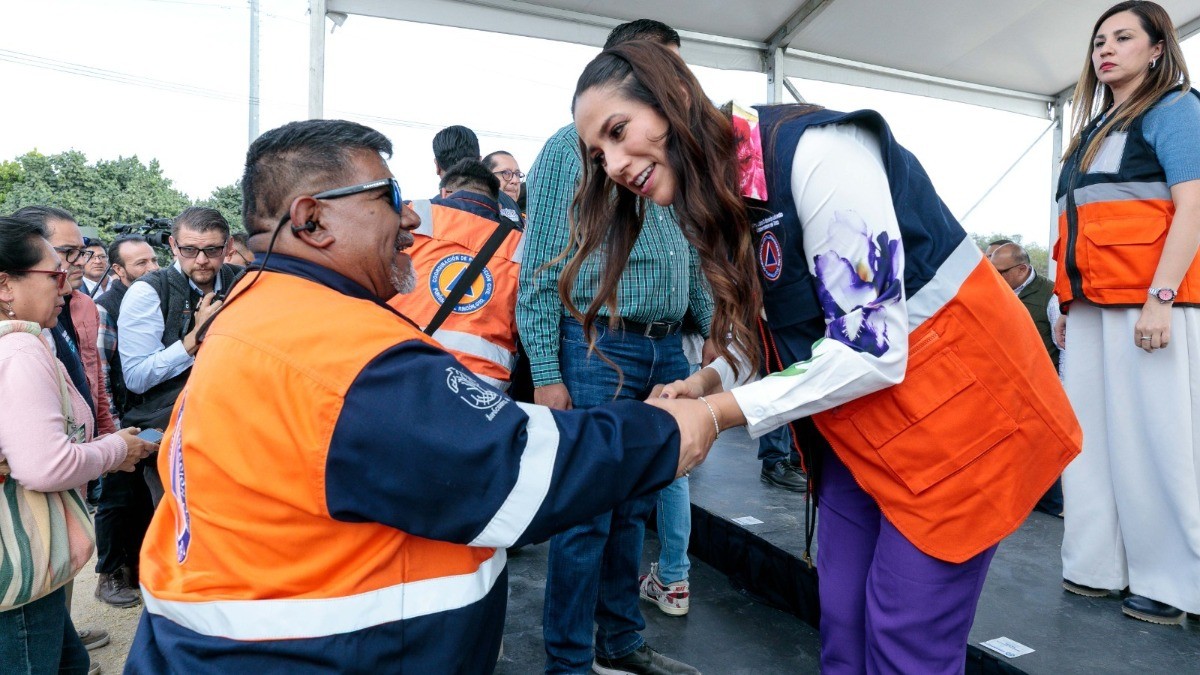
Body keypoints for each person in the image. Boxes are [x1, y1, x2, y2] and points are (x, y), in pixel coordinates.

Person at [125, 118, 715, 673]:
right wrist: (689, 422)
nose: (410, 220)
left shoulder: (261, 309)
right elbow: (518, 474)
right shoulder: (335, 352)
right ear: (311, 220)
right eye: (388, 196)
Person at [569, 41, 1081, 673]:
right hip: (857, 428)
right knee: (842, 621)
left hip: (957, 422)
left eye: (619, 132)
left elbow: (872, 346)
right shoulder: (715, 199)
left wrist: (720, 412)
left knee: (906, 642)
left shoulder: (817, 151)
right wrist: (704, 382)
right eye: (599, 154)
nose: (616, 164)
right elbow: (776, 330)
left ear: (671, 96)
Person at [519, 19, 708, 675]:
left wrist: (711, 335)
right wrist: (547, 370)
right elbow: (539, 268)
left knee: (634, 508)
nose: (676, 88)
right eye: (663, 71)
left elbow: (693, 256)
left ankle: (619, 640)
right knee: (586, 516)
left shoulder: (679, 157)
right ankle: (569, 661)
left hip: (665, 350)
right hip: (595, 349)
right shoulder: (562, 151)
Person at [1054, 0, 1200, 625]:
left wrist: (1161, 297)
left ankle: (1173, 584)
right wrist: (1064, 302)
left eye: (1122, 37)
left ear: (1157, 48)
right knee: (1087, 443)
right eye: (1098, 40)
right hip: (1090, 308)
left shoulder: (1176, 110)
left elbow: (1193, 208)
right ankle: (1096, 566)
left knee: (1153, 443)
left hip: (1150, 306)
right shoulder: (1090, 131)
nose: (1106, 49)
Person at [0, 215, 155, 675]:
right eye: (55, 275)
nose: (66, 287)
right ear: (6, 284)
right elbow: (46, 466)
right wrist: (117, 451)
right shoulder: (20, 350)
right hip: (20, 569)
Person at [118, 207, 241, 501]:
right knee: (180, 539)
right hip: (173, 441)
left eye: (212, 250)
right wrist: (192, 341)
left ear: (229, 248)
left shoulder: (244, 281)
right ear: (173, 246)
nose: (201, 260)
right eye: (189, 249)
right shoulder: (148, 292)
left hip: (236, 438)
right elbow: (136, 377)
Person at [389, 159, 523, 390]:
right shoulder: (519, 245)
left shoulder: (410, 215)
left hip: (398, 366)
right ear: (497, 203)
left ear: (445, 191)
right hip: (479, 388)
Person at [93, 234, 161, 610]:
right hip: (119, 418)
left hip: (145, 412)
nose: (152, 269)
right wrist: (112, 428)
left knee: (139, 499)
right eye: (141, 264)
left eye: (153, 260)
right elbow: (103, 374)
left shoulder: (157, 294)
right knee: (117, 499)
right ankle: (110, 574)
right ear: (117, 270)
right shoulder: (106, 306)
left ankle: (137, 569)